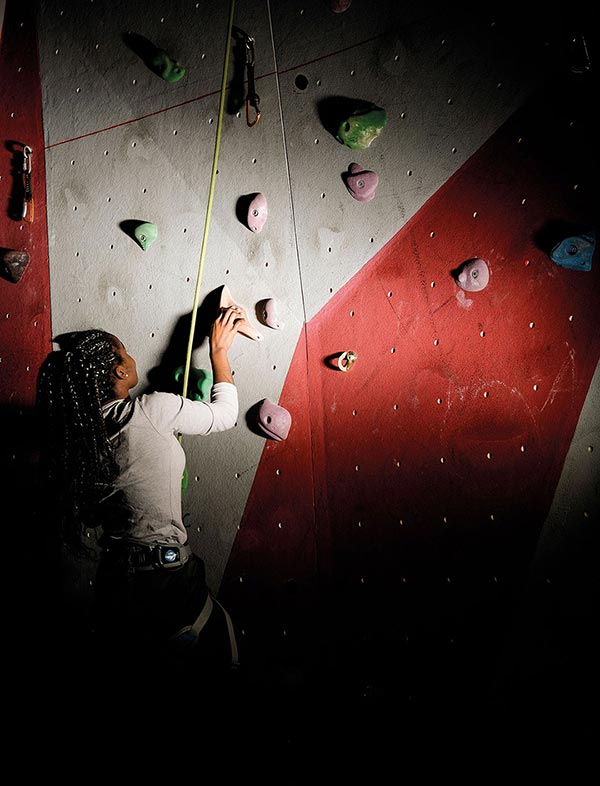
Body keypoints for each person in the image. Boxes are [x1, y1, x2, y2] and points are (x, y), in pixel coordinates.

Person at [36, 305, 243, 703]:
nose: (132, 358)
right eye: (125, 351)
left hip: (118, 592)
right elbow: (225, 416)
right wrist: (218, 352)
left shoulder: (79, 445)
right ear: (118, 371)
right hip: (167, 585)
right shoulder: (150, 410)